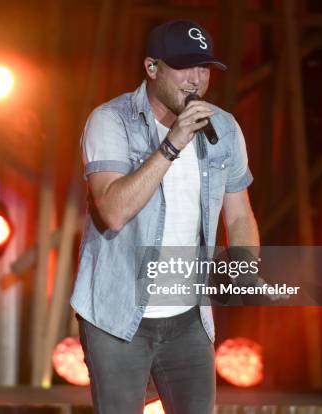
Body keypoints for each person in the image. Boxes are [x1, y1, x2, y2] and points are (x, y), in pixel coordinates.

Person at [70, 20, 260, 414]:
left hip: (189, 316)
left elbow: (240, 213)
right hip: (117, 317)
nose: (196, 80)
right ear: (152, 68)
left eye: (204, 68)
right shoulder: (111, 121)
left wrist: (244, 265)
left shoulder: (223, 128)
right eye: (184, 67)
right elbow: (113, 211)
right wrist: (173, 144)